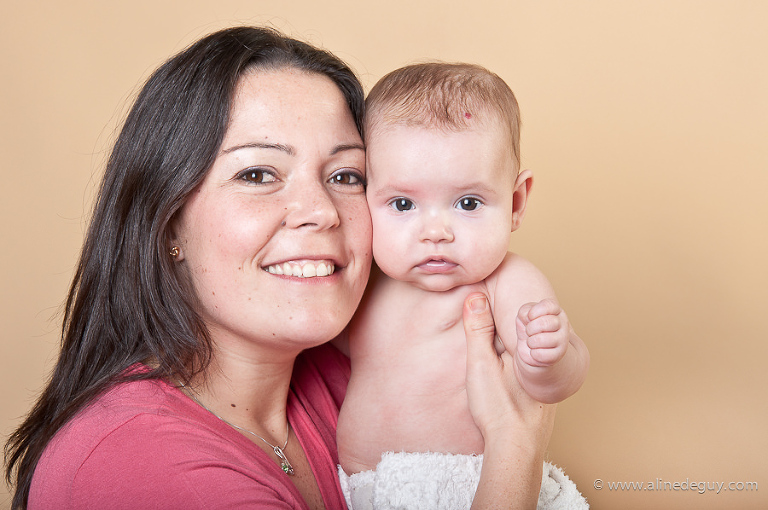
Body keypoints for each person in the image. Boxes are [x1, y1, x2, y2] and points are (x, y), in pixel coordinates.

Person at [4, 28, 554, 510]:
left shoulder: (350, 377)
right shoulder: (139, 468)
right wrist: (516, 449)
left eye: (346, 176)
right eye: (258, 174)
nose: (319, 211)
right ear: (168, 222)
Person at [337, 63, 590, 509]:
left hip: (471, 482)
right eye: (402, 204)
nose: (436, 231)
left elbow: (555, 385)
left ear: (515, 203)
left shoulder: (505, 281)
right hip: (365, 491)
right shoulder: (365, 284)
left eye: (467, 203)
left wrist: (548, 358)